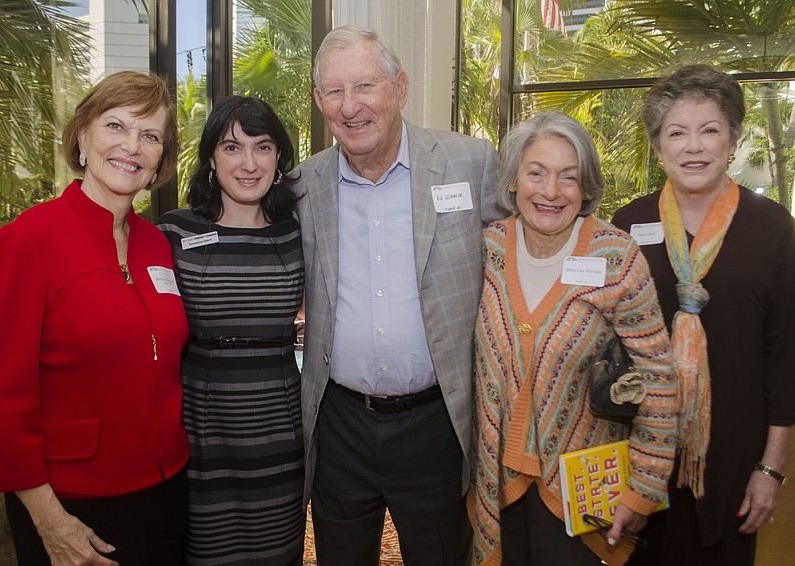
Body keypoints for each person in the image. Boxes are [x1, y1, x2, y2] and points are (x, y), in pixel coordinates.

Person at [293, 25, 501, 565]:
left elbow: (526, 252)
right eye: (334, 92)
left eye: (365, 85)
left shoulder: (471, 164)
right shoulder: (301, 186)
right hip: (339, 423)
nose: (351, 106)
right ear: (319, 102)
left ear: (400, 88)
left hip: (436, 422)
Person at [0, 71, 189, 566]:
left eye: (150, 135)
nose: (132, 146)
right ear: (83, 136)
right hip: (74, 507)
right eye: (116, 126)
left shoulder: (157, 244)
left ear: (159, 160)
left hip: (167, 492)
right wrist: (49, 519)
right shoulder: (27, 242)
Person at [470, 111, 678, 566]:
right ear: (512, 181)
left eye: (569, 177)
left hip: (577, 487)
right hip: (493, 479)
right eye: (536, 173)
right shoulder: (484, 249)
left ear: (586, 188)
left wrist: (644, 486)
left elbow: (659, 378)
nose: (549, 191)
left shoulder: (616, 255)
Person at [612, 65, 795, 566]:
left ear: (732, 140)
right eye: (677, 132)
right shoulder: (629, 223)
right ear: (658, 147)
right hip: (643, 451)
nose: (693, 146)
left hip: (736, 456)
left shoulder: (773, 229)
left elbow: (785, 360)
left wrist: (771, 469)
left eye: (709, 130)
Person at [157, 95, 305, 565]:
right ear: (210, 159)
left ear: (279, 157)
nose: (248, 163)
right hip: (203, 429)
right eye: (231, 147)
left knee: (277, 552)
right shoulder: (172, 234)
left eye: (262, 147)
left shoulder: (297, 232)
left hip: (279, 430)